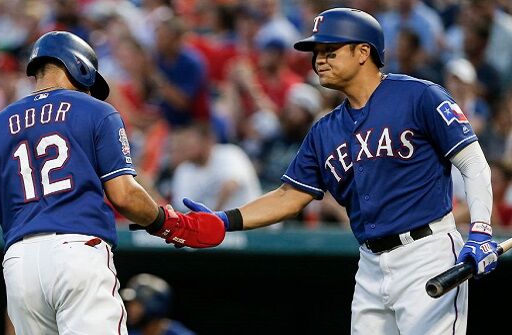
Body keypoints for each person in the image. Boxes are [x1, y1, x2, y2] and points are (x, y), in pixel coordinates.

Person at [183, 8, 499, 334]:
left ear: (363, 52)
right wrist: (225, 220)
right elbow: (289, 196)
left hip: (426, 254)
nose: (319, 60)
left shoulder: (419, 96)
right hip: (370, 265)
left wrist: (480, 229)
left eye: (330, 51)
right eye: (316, 53)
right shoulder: (324, 131)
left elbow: (473, 162)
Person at [0, 30, 225, 335]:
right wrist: (169, 223)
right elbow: (123, 195)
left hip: (19, 265)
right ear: (80, 67)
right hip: (78, 252)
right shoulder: (97, 111)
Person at [120, 273, 195, 335]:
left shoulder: (180, 333)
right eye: (131, 304)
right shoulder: (127, 332)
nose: (130, 309)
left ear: (154, 306)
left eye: (136, 304)